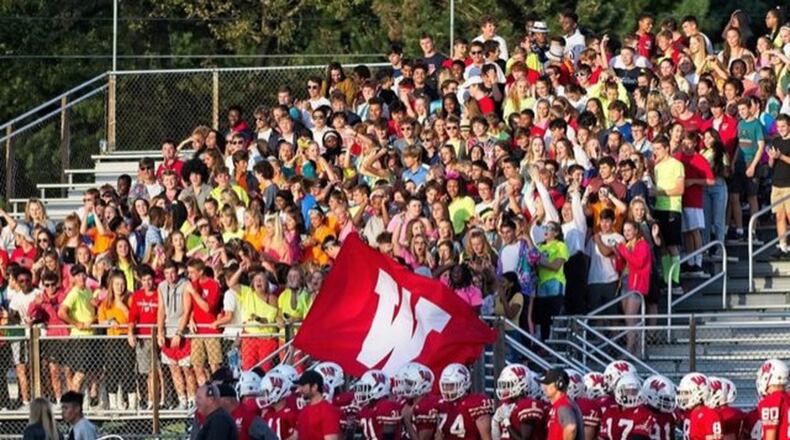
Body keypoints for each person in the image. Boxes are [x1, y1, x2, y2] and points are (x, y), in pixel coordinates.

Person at [437, 363, 493, 440]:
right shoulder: (440, 404)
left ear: (464, 383)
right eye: (445, 385)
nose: (448, 389)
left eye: (452, 385)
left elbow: (486, 438)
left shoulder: (476, 403)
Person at [598, 373, 654, 440]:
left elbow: (639, 438)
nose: (630, 395)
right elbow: (603, 437)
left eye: (634, 392)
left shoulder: (644, 413)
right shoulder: (609, 412)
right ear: (618, 392)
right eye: (627, 391)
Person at [537, 368, 583, 440]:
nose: (545, 387)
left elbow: (571, 427)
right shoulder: (561, 404)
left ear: (559, 384)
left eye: (548, 384)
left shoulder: (563, 405)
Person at [295, 370, 342, 440]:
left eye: (303, 386)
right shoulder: (304, 410)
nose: (299, 389)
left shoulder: (328, 411)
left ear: (314, 387)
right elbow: (295, 436)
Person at [768, 114, 790, 258]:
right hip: (777, 184)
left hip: (789, 184)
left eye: (783, 126)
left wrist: (780, 156)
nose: (780, 129)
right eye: (778, 126)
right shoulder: (775, 140)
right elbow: (771, 164)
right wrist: (771, 157)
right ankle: (783, 246)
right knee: (779, 216)